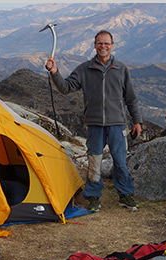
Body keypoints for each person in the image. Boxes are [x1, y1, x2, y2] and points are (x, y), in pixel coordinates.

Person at [45, 29, 142, 212]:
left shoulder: (121, 69)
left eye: (106, 43)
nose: (103, 46)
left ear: (112, 45)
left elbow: (131, 98)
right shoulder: (84, 69)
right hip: (95, 124)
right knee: (95, 162)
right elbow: (66, 88)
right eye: (99, 43)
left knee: (120, 161)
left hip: (117, 124)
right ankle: (94, 197)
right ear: (94, 45)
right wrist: (55, 72)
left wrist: (137, 121)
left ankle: (125, 195)